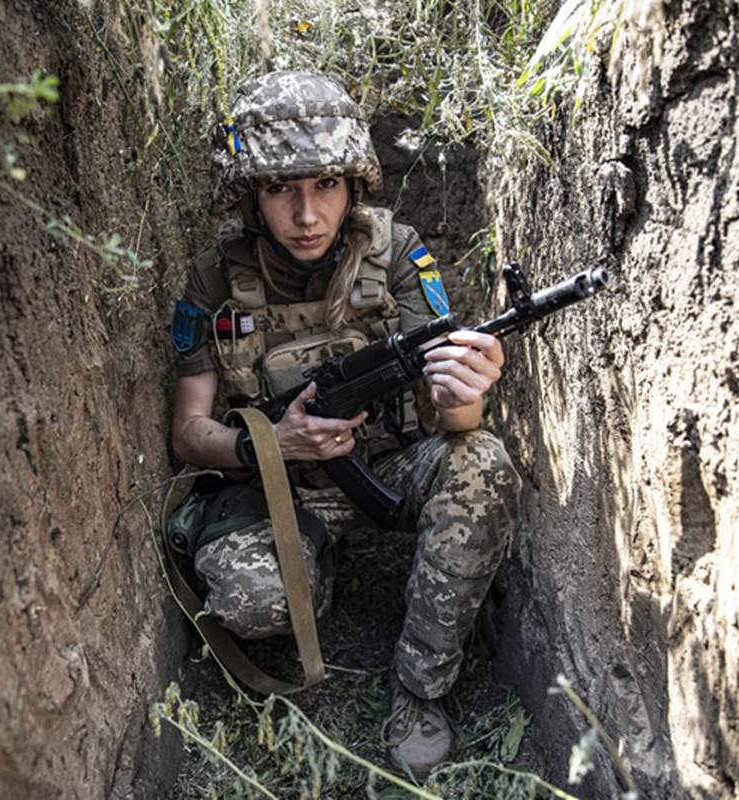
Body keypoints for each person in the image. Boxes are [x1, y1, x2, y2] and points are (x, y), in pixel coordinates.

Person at [168, 70, 521, 779]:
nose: (305, 214)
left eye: (324, 185)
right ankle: (315, 567)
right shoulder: (214, 280)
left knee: (482, 461)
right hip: (277, 488)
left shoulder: (397, 255)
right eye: (280, 190)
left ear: (354, 185)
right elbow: (187, 434)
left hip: (387, 463)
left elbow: (451, 421)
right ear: (247, 197)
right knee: (250, 598)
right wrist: (269, 443)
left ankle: (419, 690)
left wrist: (467, 389)